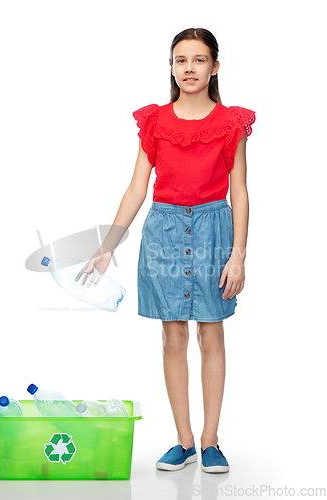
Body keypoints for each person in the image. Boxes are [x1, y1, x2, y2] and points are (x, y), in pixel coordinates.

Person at [75, 27, 256, 473]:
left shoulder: (231, 122)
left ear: (215, 67)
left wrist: (238, 255)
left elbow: (241, 191)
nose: (189, 68)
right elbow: (137, 187)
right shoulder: (154, 121)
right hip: (165, 232)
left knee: (210, 332)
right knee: (173, 335)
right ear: (171, 67)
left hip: (214, 231)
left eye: (198, 60)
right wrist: (106, 246)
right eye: (180, 60)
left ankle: (212, 441)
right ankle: (184, 440)